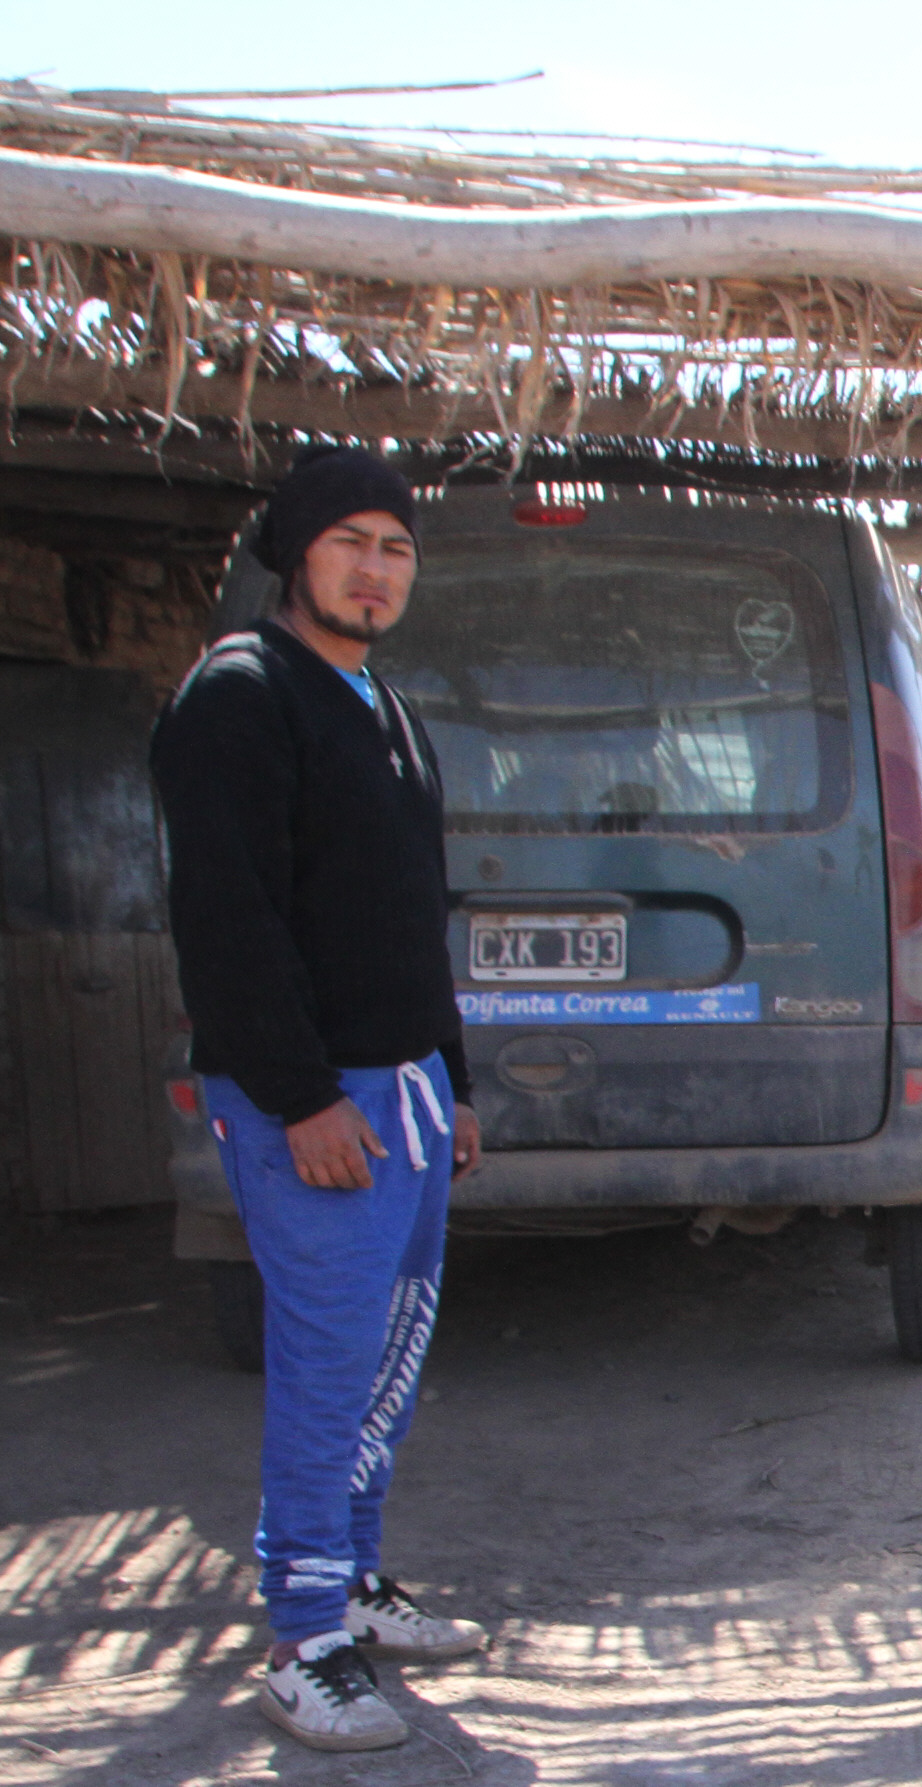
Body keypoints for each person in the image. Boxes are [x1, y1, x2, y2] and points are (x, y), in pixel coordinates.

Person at [152, 446, 488, 1752]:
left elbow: (407, 918)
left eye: (396, 548)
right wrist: (299, 1097)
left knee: (388, 1353)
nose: (375, 569)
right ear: (295, 555)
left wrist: (450, 1080)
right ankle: (302, 1641)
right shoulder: (241, 694)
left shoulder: (378, 704)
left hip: (403, 1092)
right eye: (350, 542)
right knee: (325, 1363)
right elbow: (226, 918)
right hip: (314, 1098)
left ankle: (349, 1580)